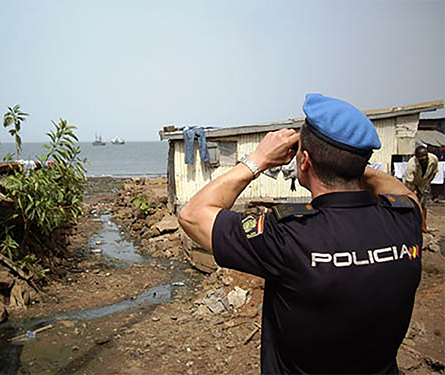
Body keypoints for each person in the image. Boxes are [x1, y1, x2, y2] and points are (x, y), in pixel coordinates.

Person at [178, 93, 422, 374]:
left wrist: (257, 160)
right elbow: (405, 195)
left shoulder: (289, 235)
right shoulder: (404, 220)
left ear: (303, 161)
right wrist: (348, 161)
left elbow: (192, 215)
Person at [402, 146, 438, 230]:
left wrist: (427, 183)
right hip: (411, 182)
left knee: (423, 204)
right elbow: (409, 181)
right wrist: (413, 194)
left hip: (424, 181)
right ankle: (409, 225)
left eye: (425, 155)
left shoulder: (433, 159)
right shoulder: (412, 164)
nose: (424, 158)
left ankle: (423, 226)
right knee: (410, 203)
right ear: (416, 157)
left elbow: (434, 172)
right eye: (421, 156)